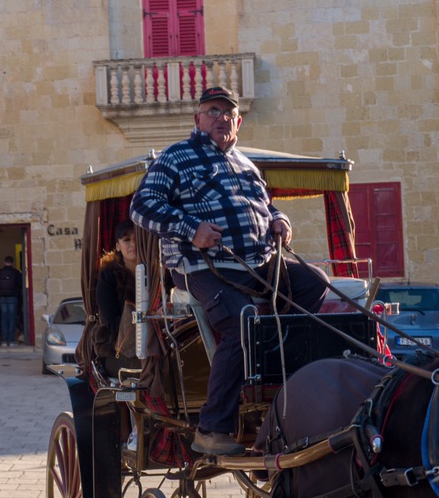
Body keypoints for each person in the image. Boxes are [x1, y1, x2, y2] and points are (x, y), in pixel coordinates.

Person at [130, 86, 328, 455]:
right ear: (198, 119)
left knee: (315, 283)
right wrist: (193, 229)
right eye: (213, 110)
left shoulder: (246, 164)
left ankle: (288, 377)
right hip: (200, 267)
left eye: (229, 113)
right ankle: (212, 429)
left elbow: (266, 207)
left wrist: (279, 221)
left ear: (238, 122)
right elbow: (142, 207)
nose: (222, 118)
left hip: (259, 264)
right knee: (241, 322)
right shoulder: (177, 157)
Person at [95, 221, 138, 360]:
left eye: (137, 238)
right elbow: (112, 323)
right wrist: (149, 318)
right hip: (116, 348)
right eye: (127, 240)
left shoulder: (158, 273)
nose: (133, 244)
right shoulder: (108, 276)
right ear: (118, 246)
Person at [0, 256, 24, 344]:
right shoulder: (16, 273)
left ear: (4, 262)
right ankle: (12, 340)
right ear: (12, 263)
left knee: (4, 319)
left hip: (3, 298)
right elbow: (20, 286)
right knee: (12, 319)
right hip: (13, 298)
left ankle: (4, 340)